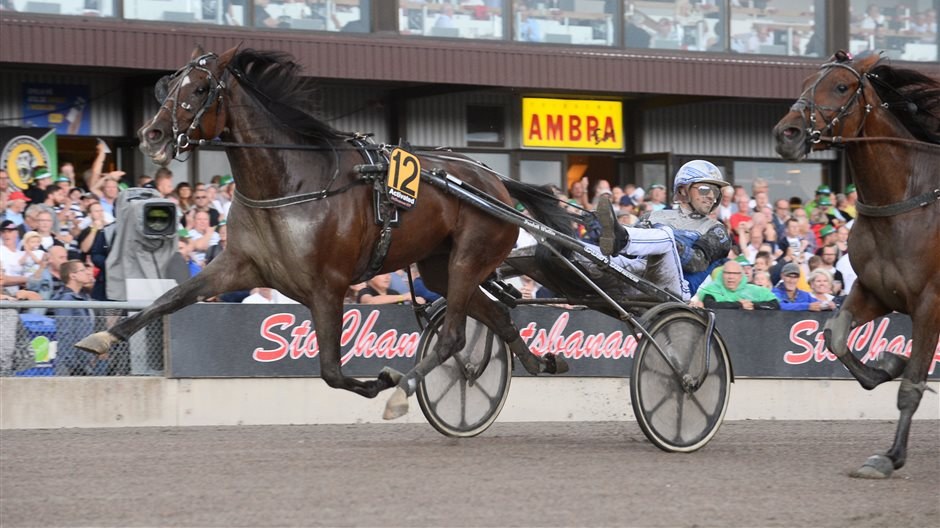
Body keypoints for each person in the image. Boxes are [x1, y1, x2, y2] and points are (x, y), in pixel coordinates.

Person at [595, 160, 733, 299]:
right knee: (591, 254)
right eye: (705, 189)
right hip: (637, 275)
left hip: (677, 288)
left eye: (715, 191)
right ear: (683, 190)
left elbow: (696, 263)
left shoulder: (717, 230)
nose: (711, 196)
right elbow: (628, 255)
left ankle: (623, 237)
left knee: (666, 237)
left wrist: (669, 239)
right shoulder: (652, 216)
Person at [52, 260, 105, 376]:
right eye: (82, 270)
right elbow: (65, 333)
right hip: (71, 365)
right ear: (73, 275)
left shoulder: (82, 298)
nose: (87, 273)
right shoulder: (66, 300)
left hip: (83, 362)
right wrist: (73, 364)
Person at [689, 260, 779, 310]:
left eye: (735, 273)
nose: (731, 277)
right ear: (722, 274)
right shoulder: (712, 289)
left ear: (741, 275)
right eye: (727, 273)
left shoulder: (756, 290)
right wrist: (739, 305)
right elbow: (710, 305)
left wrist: (754, 305)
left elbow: (774, 305)